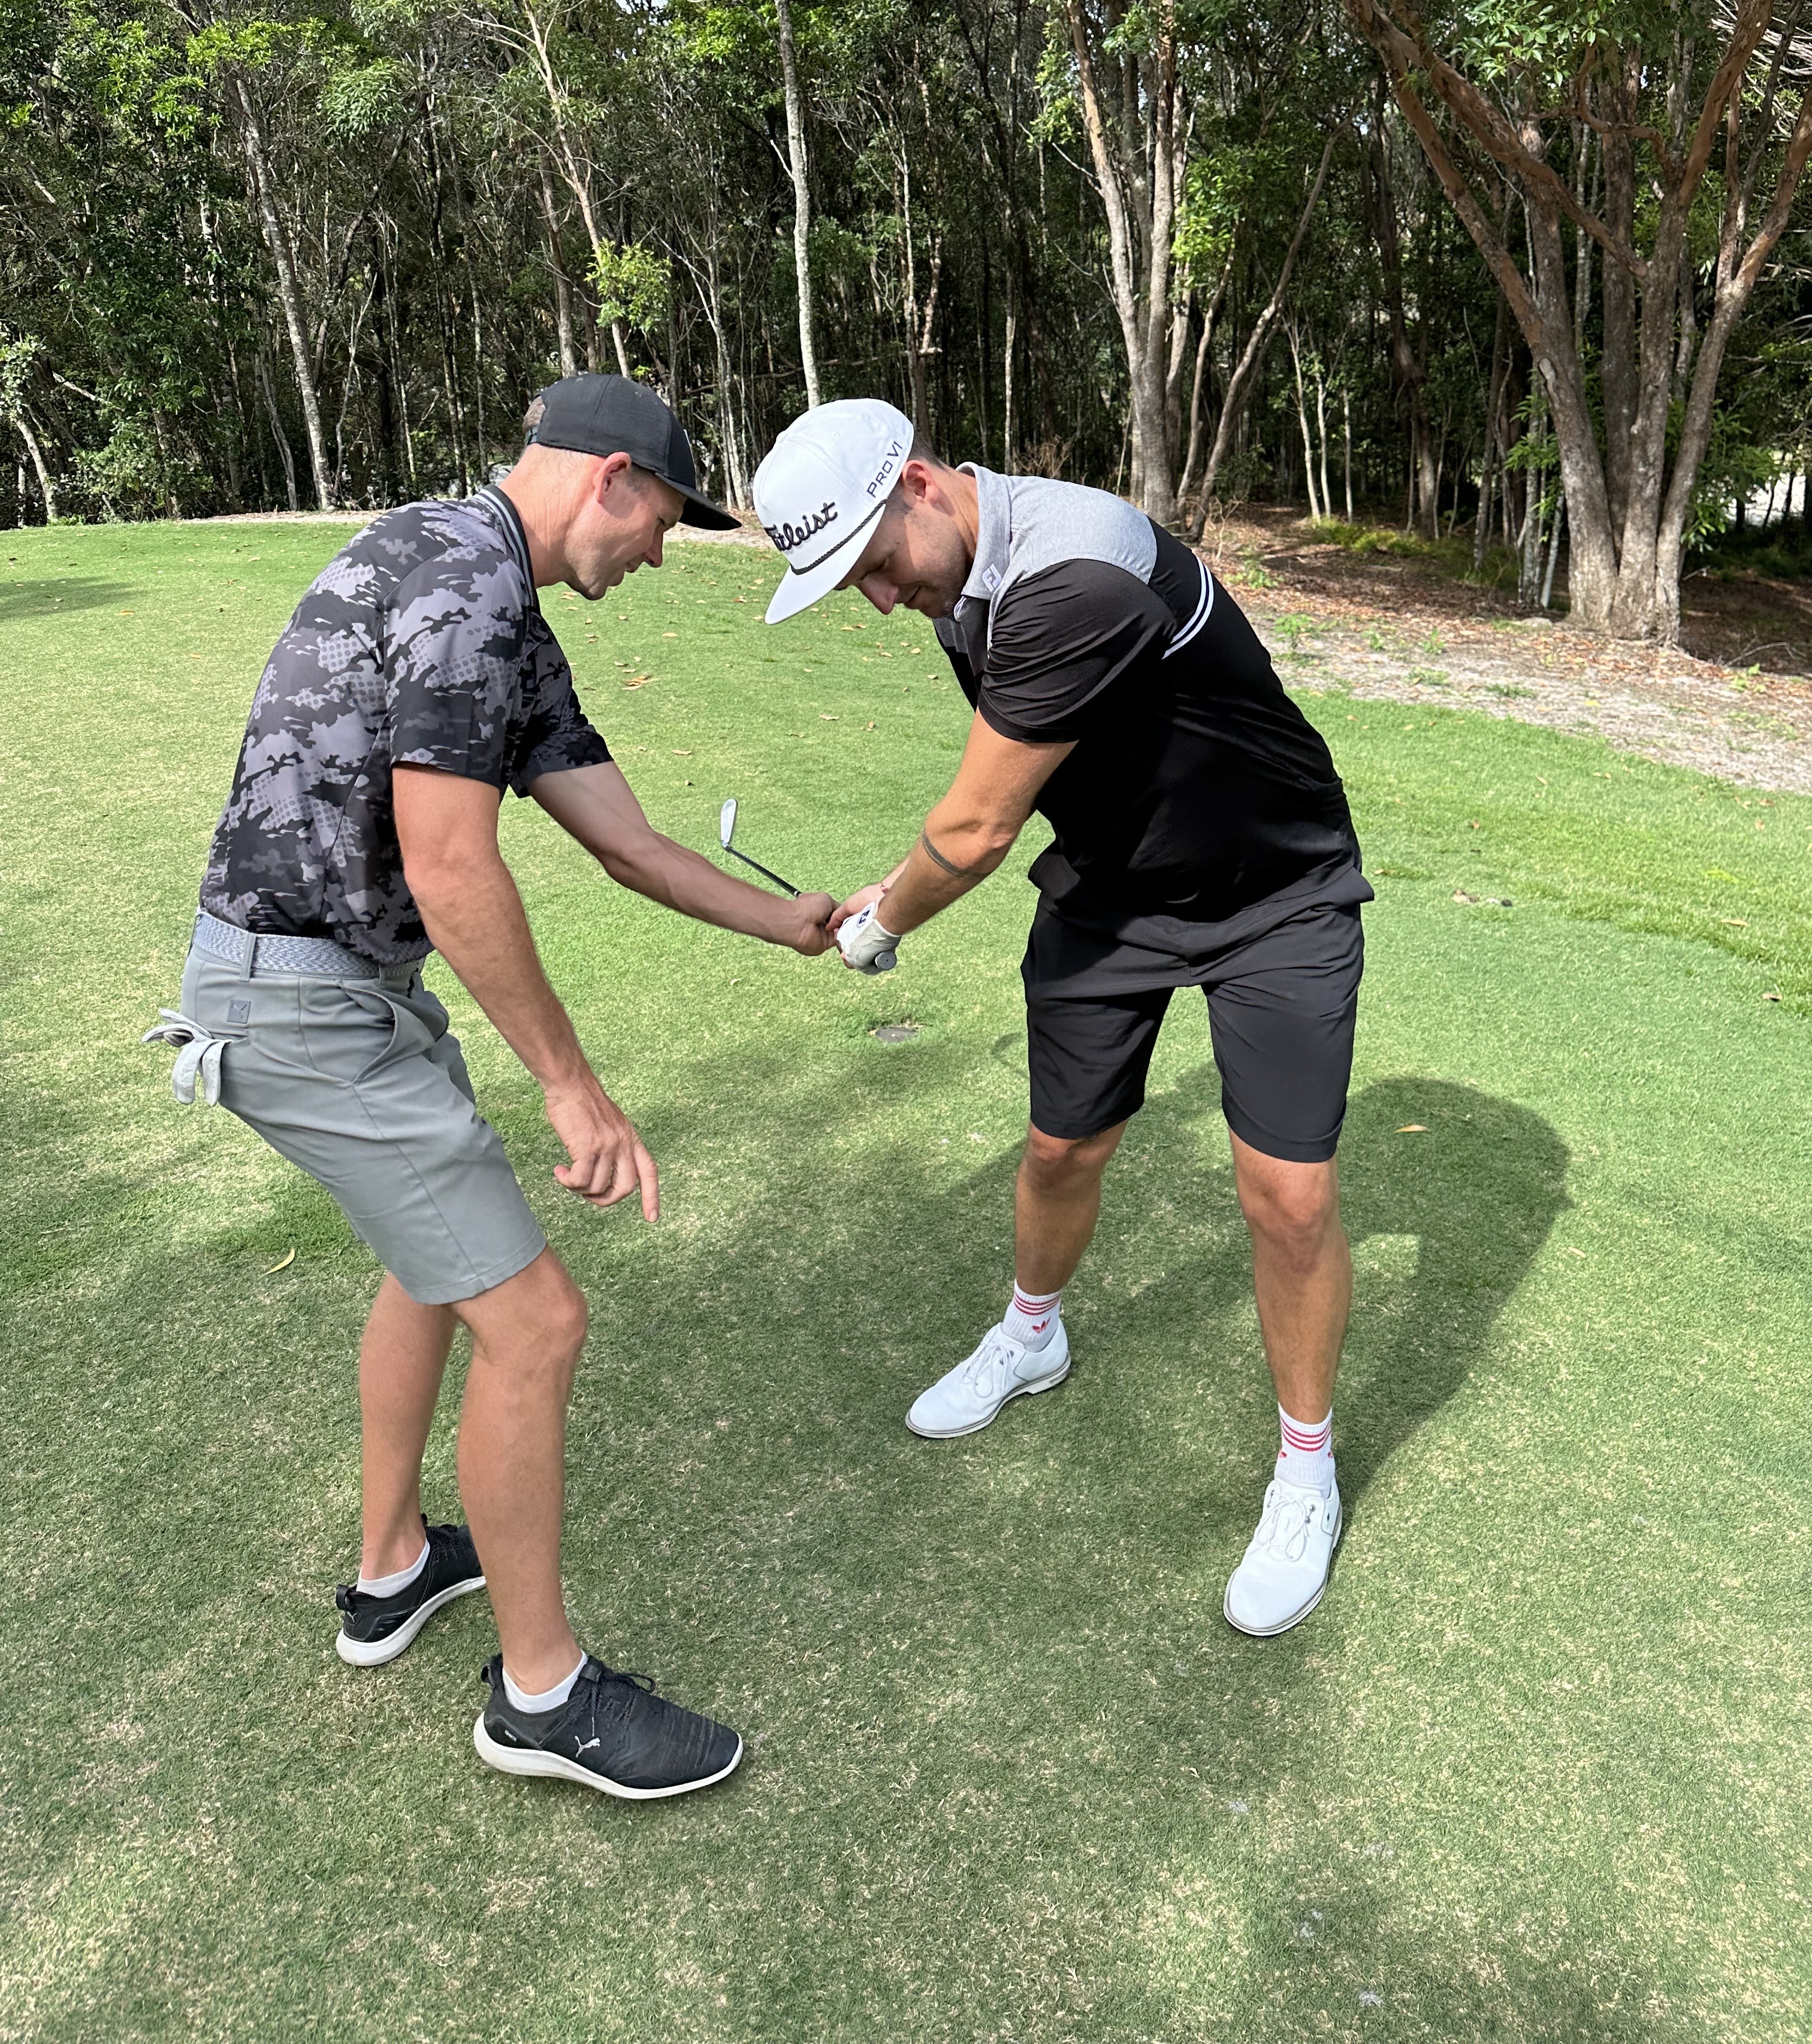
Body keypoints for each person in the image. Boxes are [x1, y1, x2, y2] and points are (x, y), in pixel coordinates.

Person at [146, 373, 835, 1797]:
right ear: (611, 481)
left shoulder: (486, 590)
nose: (655, 558)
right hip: (301, 1001)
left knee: (435, 1269)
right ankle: (540, 1696)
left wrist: (797, 922)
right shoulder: (468, 588)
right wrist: (574, 1087)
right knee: (535, 1324)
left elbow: (629, 844)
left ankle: (393, 1565)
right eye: (663, 525)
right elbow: (453, 863)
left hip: (341, 990)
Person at [753, 400, 1372, 1638]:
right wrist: (895, 878)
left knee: (1288, 1200)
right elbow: (1017, 769)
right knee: (1058, 1149)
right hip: (1113, 893)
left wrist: (886, 920)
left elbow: (976, 832)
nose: (880, 600)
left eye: (874, 565)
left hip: (1277, 894)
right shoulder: (964, 580)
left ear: (924, 485)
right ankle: (1032, 1334)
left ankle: (1306, 1467)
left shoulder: (1070, 574)